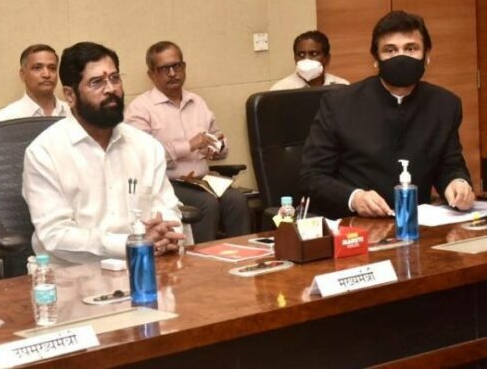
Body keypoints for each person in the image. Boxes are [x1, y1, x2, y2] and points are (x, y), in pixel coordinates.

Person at [299, 11, 474, 219]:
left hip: (417, 223)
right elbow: (312, 177)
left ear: (427, 55)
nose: (401, 57)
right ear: (376, 59)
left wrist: (458, 183)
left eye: (411, 48)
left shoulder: (445, 104)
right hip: (354, 224)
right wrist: (354, 198)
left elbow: (450, 166)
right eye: (390, 50)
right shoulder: (339, 104)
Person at [22, 41, 183, 266]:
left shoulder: (146, 146)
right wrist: (131, 244)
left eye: (115, 78)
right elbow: (55, 236)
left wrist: (165, 234)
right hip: (73, 275)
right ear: (70, 95)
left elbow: (168, 208)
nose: (111, 89)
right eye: (97, 82)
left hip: (145, 265)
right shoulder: (44, 152)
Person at [125, 41, 251, 241]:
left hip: (203, 181)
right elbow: (141, 158)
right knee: (207, 203)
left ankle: (243, 253)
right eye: (165, 68)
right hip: (168, 183)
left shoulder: (197, 102)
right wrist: (189, 146)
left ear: (184, 67)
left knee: (237, 200)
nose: (172, 73)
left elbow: (219, 140)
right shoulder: (140, 108)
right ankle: (199, 258)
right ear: (151, 74)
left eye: (177, 66)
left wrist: (217, 148)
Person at [0, 44, 70, 122]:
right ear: (23, 74)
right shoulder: (7, 117)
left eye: (52, 68)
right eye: (37, 68)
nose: (47, 74)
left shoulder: (72, 112)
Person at [270, 30, 350, 91]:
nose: (306, 59)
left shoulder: (342, 87)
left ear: (327, 58)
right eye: (301, 54)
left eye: (314, 54)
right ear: (295, 58)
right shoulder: (280, 90)